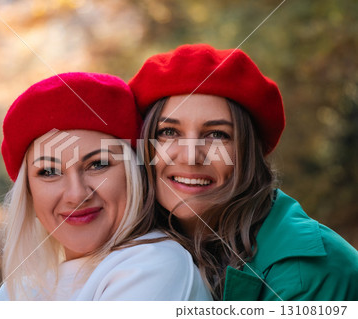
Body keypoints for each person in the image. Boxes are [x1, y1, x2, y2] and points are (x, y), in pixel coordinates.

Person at [128, 44, 358, 301]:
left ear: (249, 153)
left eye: (217, 135)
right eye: (168, 132)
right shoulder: (136, 250)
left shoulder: (309, 274)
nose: (190, 156)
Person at [0, 72, 211, 300]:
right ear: (28, 192)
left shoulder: (155, 265)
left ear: (134, 174)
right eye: (49, 172)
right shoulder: (19, 290)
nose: (76, 195)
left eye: (98, 164)